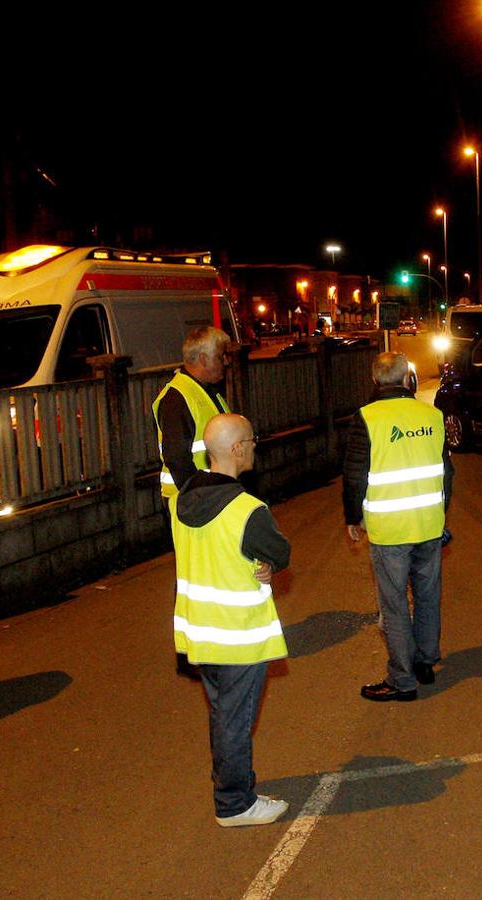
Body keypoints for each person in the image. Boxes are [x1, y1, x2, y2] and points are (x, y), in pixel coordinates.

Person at [172, 413, 291, 826]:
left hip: (201, 631)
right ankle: (235, 803)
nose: (255, 446)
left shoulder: (183, 499)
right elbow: (281, 550)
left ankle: (230, 786)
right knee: (235, 723)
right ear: (238, 448)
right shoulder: (247, 509)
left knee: (223, 716)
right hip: (239, 634)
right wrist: (268, 562)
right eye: (252, 441)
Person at [344, 351, 453, 702]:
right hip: (429, 524)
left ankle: (402, 679)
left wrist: (351, 517)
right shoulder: (432, 415)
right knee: (427, 596)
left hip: (390, 530)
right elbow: (446, 472)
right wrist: (441, 513)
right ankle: (425, 659)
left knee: (394, 606)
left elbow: (354, 474)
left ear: (375, 382)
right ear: (409, 379)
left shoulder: (367, 417)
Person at [153, 326, 231, 503]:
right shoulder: (177, 398)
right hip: (191, 502)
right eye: (221, 356)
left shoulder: (206, 391)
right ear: (203, 359)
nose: (226, 362)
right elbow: (177, 459)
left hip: (207, 495)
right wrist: (201, 499)